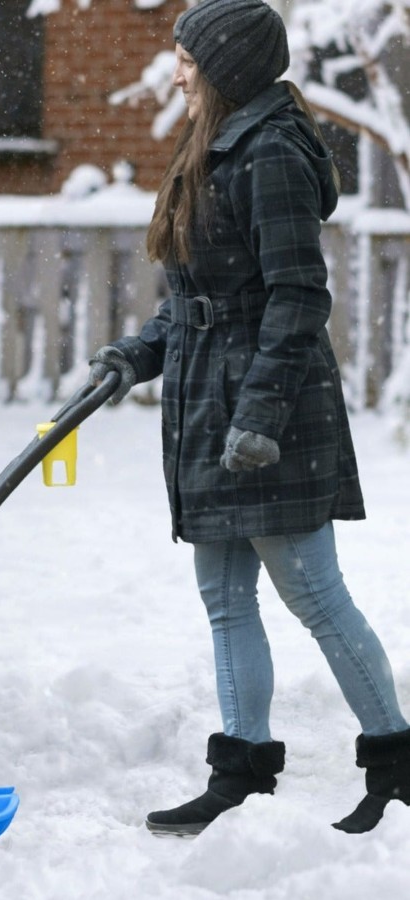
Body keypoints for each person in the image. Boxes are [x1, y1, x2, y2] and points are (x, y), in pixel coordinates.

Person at [89, 0, 410, 836]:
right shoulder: (217, 145)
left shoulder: (269, 152)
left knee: (314, 594)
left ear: (227, 64)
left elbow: (298, 297)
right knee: (226, 596)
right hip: (211, 402)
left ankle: (400, 767)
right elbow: (202, 299)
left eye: (189, 56)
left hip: (272, 410)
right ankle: (240, 772)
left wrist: (259, 413)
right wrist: (136, 353)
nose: (178, 70)